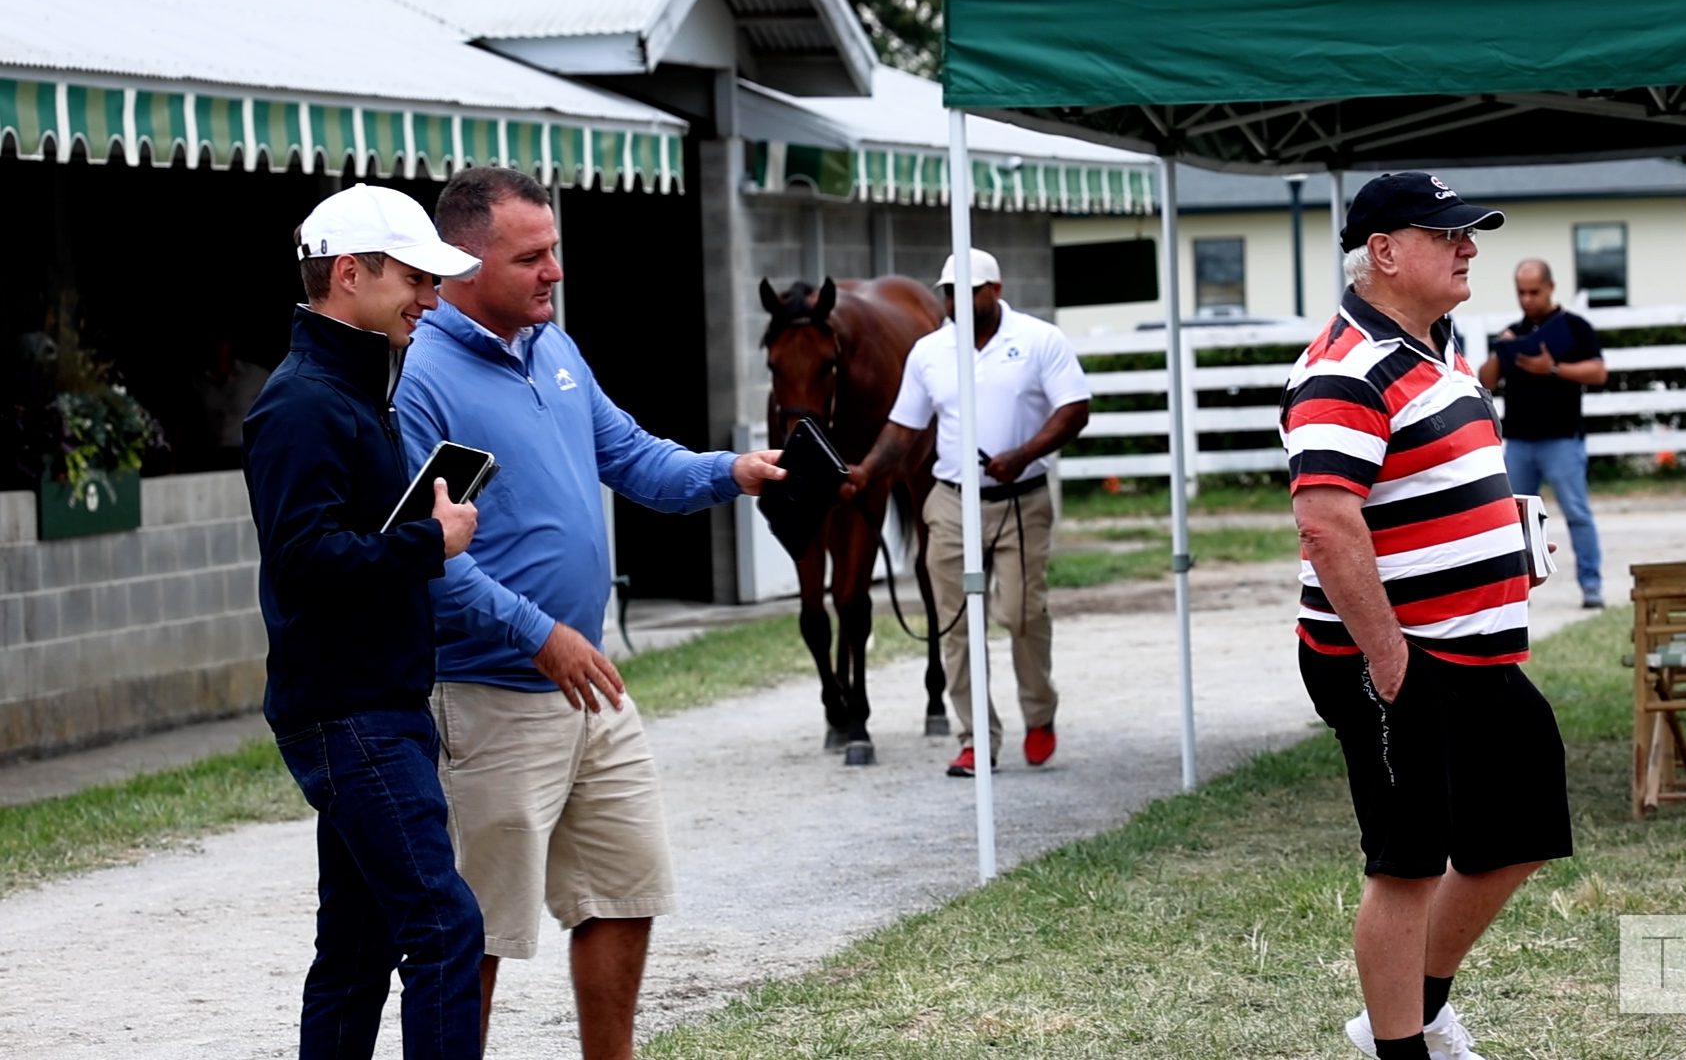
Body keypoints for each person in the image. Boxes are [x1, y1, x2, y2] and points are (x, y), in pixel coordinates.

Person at [391, 166, 784, 1060]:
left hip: (589, 688)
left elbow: (636, 459)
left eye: (554, 250)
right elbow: (428, 560)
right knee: (475, 932)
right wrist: (540, 635)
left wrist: (732, 470)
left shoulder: (554, 349)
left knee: (623, 888)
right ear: (461, 260)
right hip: (487, 694)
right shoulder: (420, 382)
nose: (553, 272)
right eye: (532, 257)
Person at [1278, 172, 1574, 1060]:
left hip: (1474, 652)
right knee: (1406, 863)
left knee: (1521, 827)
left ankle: (1415, 1010)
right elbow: (1327, 527)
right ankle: (1401, 1047)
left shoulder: (1435, 345)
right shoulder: (1345, 368)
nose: (1468, 248)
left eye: (1468, 234)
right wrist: (1391, 662)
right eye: (1448, 235)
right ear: (1385, 252)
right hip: (1397, 657)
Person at [242, 184, 486, 1059]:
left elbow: (331, 543)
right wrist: (430, 541)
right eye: (415, 279)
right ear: (350, 274)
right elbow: (305, 561)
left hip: (365, 703)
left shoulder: (345, 390)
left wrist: (417, 530)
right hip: (351, 711)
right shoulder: (303, 403)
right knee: (445, 929)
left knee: (358, 949)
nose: (430, 298)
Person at [842, 248, 1090, 777]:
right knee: (955, 625)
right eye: (947, 291)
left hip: (1022, 500)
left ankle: (1039, 714)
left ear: (994, 291)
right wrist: (866, 471)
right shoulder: (929, 352)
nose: (953, 300)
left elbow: (1074, 409)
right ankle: (975, 735)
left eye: (966, 291)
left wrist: (1023, 454)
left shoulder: (1039, 340)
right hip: (952, 501)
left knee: (1022, 615)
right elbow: (904, 427)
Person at [1477, 259, 1609, 608]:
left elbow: (1598, 372)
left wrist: (1550, 368)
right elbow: (1485, 381)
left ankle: (1591, 586)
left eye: (1534, 292)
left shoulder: (1575, 327)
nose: (1528, 300)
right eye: (1521, 293)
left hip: (1562, 437)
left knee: (1577, 513)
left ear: (1550, 287)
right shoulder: (1514, 331)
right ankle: (1519, 588)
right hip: (1520, 439)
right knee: (1513, 518)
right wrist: (1501, 351)